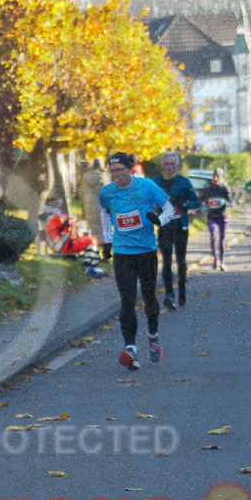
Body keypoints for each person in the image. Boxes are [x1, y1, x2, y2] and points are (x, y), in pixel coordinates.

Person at [98, 152, 175, 371]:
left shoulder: (147, 186)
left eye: (120, 170)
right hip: (123, 252)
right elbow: (104, 212)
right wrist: (107, 240)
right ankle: (130, 348)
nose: (116, 175)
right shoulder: (107, 192)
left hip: (146, 251)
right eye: (113, 171)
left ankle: (153, 337)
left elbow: (170, 208)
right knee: (127, 300)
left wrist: (159, 220)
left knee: (150, 297)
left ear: (130, 168)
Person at [153, 151, 200, 309]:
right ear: (162, 166)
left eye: (172, 164)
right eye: (166, 164)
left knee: (180, 260)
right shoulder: (156, 182)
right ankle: (168, 293)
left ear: (178, 166)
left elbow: (196, 202)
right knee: (166, 260)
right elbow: (146, 200)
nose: (169, 167)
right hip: (165, 226)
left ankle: (182, 289)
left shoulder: (184, 182)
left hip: (181, 226)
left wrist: (184, 205)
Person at [42, 196, 106, 278]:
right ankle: (90, 267)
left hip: (61, 242)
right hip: (62, 244)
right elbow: (62, 219)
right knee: (92, 240)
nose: (59, 207)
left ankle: (90, 264)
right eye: (57, 205)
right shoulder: (52, 216)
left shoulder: (51, 215)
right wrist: (71, 218)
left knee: (89, 238)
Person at [79, 159, 110, 258]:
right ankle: (106, 255)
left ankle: (93, 253)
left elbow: (81, 192)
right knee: (104, 230)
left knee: (92, 229)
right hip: (101, 207)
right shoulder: (101, 177)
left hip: (88, 207)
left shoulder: (85, 177)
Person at [201, 168, 231, 271]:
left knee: (222, 238)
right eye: (214, 176)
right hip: (212, 217)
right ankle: (215, 259)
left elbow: (231, 201)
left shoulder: (225, 188)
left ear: (221, 177)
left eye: (218, 176)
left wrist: (224, 203)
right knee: (213, 237)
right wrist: (204, 206)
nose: (216, 178)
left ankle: (222, 261)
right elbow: (202, 200)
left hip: (223, 217)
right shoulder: (208, 188)